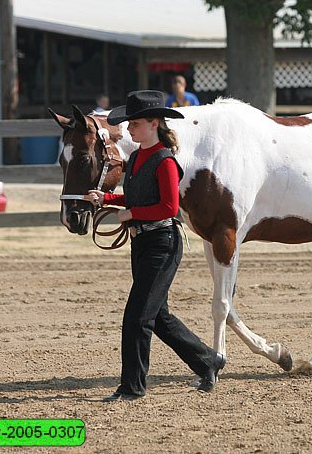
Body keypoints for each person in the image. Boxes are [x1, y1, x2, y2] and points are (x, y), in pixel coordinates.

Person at [88, 90, 225, 400]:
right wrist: (107, 199)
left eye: (134, 123)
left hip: (163, 243)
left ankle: (133, 387)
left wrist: (130, 213)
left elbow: (168, 207)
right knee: (158, 316)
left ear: (153, 124)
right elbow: (137, 196)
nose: (129, 129)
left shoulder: (165, 161)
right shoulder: (136, 158)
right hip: (143, 243)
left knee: (137, 317)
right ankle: (209, 361)